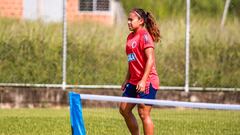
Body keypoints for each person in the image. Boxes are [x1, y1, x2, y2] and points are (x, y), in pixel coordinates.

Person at [119, 8, 161, 135]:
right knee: (123, 109)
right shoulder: (129, 37)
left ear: (141, 21)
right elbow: (132, 61)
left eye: (131, 20)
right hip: (134, 80)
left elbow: (150, 60)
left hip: (147, 80)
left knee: (143, 113)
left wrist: (143, 81)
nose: (128, 22)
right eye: (128, 20)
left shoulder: (145, 36)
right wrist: (127, 79)